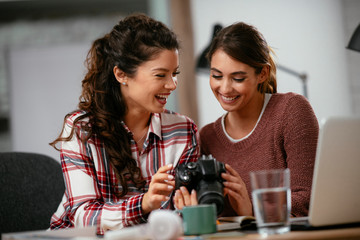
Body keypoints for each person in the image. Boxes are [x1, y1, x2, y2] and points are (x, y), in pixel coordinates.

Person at [49, 14, 199, 234]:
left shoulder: (183, 130)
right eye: (160, 75)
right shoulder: (81, 129)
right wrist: (144, 203)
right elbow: (84, 217)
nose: (172, 84)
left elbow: (181, 214)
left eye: (175, 74)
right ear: (121, 74)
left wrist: (192, 209)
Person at [195, 22, 318, 217]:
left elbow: (308, 199)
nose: (225, 88)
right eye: (216, 76)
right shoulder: (207, 136)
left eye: (238, 78)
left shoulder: (291, 111)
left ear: (262, 74)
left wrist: (253, 209)